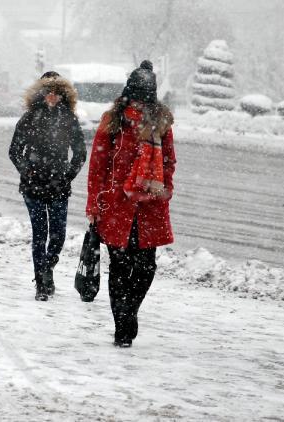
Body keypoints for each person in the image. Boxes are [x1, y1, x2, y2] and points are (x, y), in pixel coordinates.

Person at [85, 60, 176, 347]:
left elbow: (169, 160)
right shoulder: (114, 120)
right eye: (136, 92)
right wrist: (93, 204)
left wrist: (165, 187)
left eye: (144, 92)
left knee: (146, 267)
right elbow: (98, 165)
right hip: (116, 205)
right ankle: (122, 326)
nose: (139, 98)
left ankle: (129, 311)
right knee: (120, 266)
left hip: (150, 206)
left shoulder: (161, 122)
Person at [10, 71, 86, 301]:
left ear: (63, 96)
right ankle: (41, 282)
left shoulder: (69, 119)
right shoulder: (29, 118)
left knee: (58, 235)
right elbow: (14, 151)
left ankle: (48, 268)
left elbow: (80, 152)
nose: (52, 97)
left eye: (57, 93)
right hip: (33, 186)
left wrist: (67, 175)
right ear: (41, 94)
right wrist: (28, 172)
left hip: (59, 185)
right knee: (39, 234)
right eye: (48, 92)